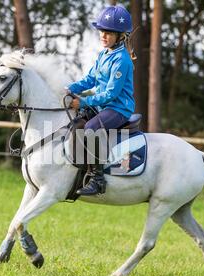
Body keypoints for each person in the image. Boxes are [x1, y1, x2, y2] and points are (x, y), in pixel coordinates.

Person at [65, 5, 136, 196]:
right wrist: (68, 89)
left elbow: (111, 94)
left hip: (118, 108)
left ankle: (98, 180)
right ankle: (80, 171)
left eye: (109, 33)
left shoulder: (121, 60)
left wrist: (83, 102)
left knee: (90, 129)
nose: (103, 36)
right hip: (102, 105)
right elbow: (89, 80)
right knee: (75, 121)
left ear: (121, 36)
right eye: (102, 31)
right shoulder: (104, 54)